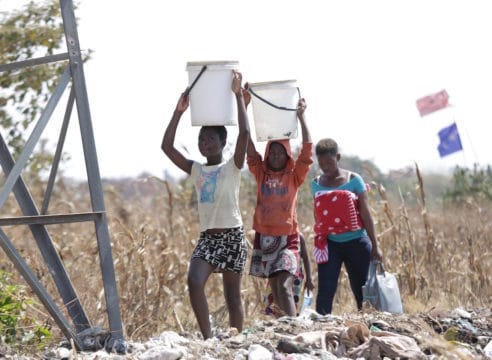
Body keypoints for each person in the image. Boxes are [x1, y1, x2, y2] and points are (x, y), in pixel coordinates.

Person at [161, 70, 249, 339]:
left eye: (211, 138)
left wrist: (238, 98)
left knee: (233, 297)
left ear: (223, 142)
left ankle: (235, 339)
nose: (205, 142)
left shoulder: (232, 167)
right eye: (201, 139)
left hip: (232, 236)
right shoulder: (197, 169)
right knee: (194, 281)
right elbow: (166, 146)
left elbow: (244, 132)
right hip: (208, 240)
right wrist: (178, 112)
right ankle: (209, 338)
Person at [244, 84, 313, 317]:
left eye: (279, 152)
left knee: (284, 285)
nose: (274, 156)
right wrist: (243, 107)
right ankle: (283, 330)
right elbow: (248, 146)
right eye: (271, 152)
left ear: (287, 155)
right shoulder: (260, 173)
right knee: (275, 291)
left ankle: (294, 330)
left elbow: (307, 152)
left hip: (288, 239)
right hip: (265, 239)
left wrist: (302, 118)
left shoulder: (294, 176)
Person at [311, 138, 383, 315]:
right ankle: (321, 331)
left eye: (329, 162)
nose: (325, 167)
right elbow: (319, 215)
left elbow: (366, 214)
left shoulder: (354, 180)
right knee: (325, 292)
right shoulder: (316, 184)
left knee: (361, 291)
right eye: (321, 163)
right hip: (330, 245)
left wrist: (375, 245)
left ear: (338, 157)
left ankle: (368, 328)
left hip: (356, 242)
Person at [264, 233, 315, 316]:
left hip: (296, 280)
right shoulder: (272, 235)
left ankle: (292, 323)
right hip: (276, 275)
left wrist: (309, 279)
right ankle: (280, 322)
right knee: (276, 300)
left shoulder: (298, 236)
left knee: (293, 302)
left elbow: (306, 257)